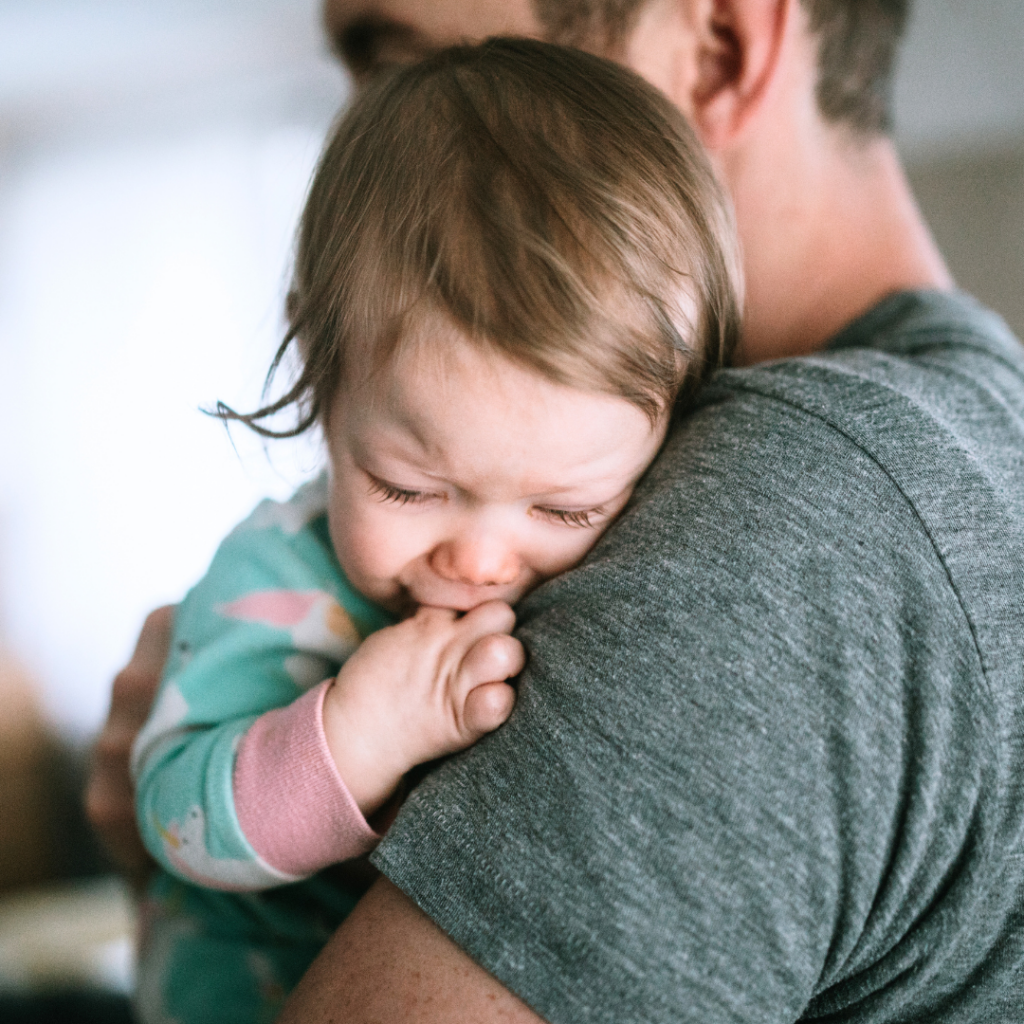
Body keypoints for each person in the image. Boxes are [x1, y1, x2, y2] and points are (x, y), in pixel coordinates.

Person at [88, 1, 1024, 1020]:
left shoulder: (793, 512)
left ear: (715, 52)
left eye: (413, 65)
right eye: (409, 484)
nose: (361, 148)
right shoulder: (978, 429)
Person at [126, 39, 741, 1024]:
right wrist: (358, 732)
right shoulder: (275, 577)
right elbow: (169, 816)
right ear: (322, 385)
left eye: (564, 509)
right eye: (410, 488)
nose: (483, 559)